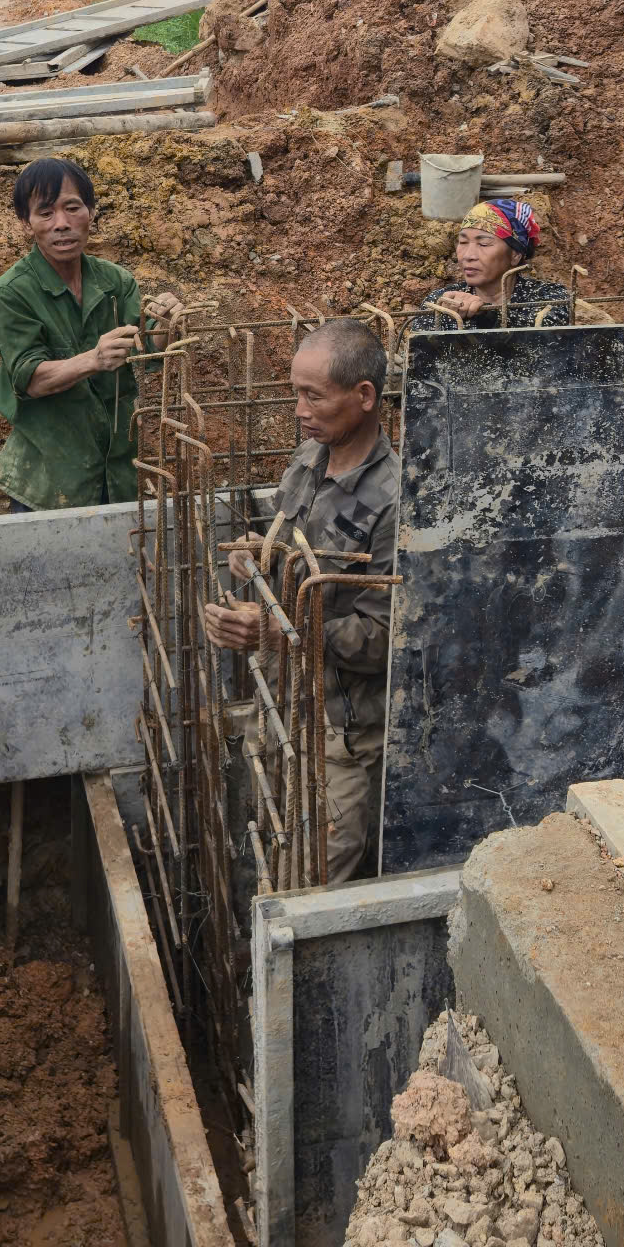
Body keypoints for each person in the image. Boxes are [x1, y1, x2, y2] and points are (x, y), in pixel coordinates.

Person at [200, 319, 397, 884]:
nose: (299, 410)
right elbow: (304, 554)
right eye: (295, 393)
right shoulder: (310, 456)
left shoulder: (393, 502)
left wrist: (272, 629)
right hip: (287, 706)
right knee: (273, 853)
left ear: (363, 397)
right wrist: (262, 555)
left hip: (343, 736)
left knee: (306, 896)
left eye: (313, 396)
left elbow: (384, 638)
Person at [0, 158, 181, 510]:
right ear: (26, 223)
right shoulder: (12, 292)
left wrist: (164, 326)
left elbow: (145, 349)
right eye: (45, 213)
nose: (61, 223)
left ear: (90, 212)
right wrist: (94, 359)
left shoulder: (115, 282)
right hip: (49, 480)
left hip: (116, 471)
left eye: (72, 207)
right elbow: (32, 379)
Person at [409, 198, 573, 332]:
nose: (468, 255)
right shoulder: (444, 301)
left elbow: (545, 342)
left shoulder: (549, 297)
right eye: (463, 242)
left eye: (484, 244)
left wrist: (486, 315)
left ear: (515, 255)